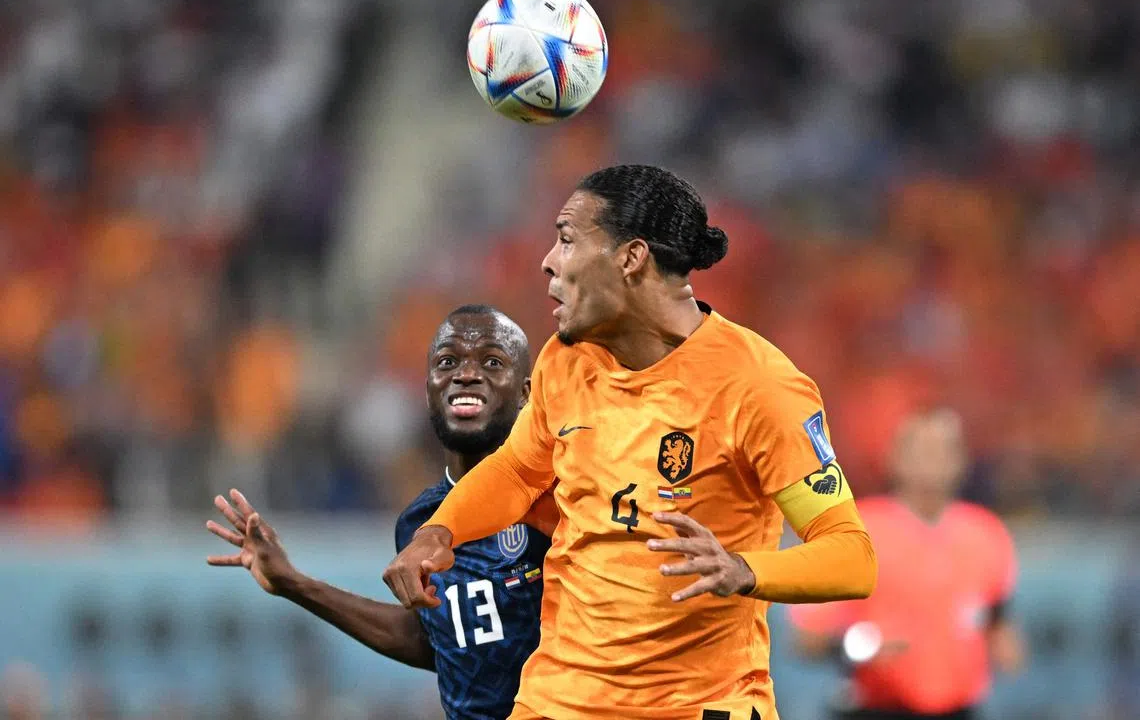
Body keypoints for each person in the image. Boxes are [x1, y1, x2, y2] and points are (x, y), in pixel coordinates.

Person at [383, 165, 878, 720]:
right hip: (559, 700)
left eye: (567, 239)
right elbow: (518, 471)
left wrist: (744, 570)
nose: (548, 261)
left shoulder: (759, 387)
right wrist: (440, 531)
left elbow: (851, 556)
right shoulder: (566, 361)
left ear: (631, 257)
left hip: (698, 705)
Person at [206, 305, 558, 720]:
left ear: (526, 392)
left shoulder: (559, 496)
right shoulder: (419, 521)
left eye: (492, 361)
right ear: (429, 388)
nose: (466, 373)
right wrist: (293, 583)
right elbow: (439, 641)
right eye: (448, 361)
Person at [786, 408, 1024, 720]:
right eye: (922, 450)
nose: (933, 461)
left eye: (944, 450)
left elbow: (997, 623)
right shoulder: (857, 530)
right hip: (877, 709)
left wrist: (1003, 647)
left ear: (962, 460)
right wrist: (863, 646)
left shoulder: (987, 534)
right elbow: (807, 639)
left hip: (959, 710)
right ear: (896, 458)